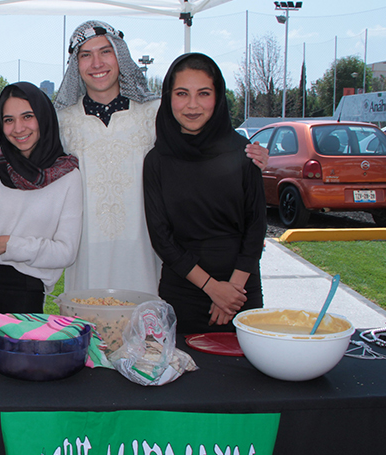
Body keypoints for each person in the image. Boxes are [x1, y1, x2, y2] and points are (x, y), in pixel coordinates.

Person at [54, 20, 269, 295]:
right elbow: (31, 161)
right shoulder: (61, 121)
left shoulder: (157, 113)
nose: (97, 63)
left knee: (150, 332)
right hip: (86, 256)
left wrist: (250, 156)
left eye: (106, 51)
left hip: (149, 251)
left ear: (120, 55)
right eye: (86, 54)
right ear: (76, 63)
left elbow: (204, 147)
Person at [143, 53, 267, 334]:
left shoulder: (245, 153)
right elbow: (162, 238)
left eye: (204, 93)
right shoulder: (157, 160)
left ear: (218, 97)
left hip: (241, 292)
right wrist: (213, 289)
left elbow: (257, 227)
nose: (192, 105)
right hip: (183, 292)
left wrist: (231, 293)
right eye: (182, 94)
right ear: (168, 97)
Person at [0, 82, 83, 321]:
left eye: (27, 116)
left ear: (43, 117)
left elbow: (66, 252)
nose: (18, 128)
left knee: (19, 359)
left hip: (27, 290)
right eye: (8, 120)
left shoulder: (68, 176)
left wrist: (10, 245)